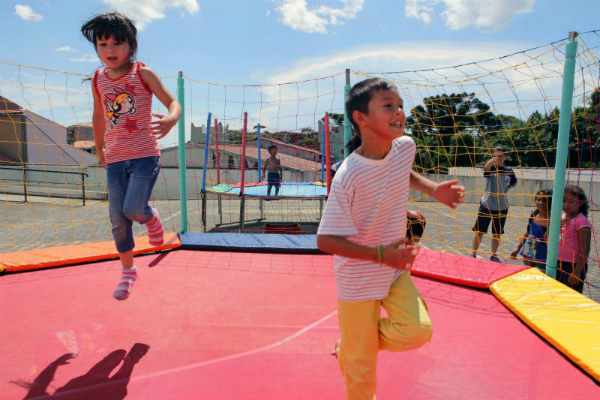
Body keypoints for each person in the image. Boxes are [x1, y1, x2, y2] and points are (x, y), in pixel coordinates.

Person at [316, 78, 465, 400]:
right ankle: (356, 348)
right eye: (388, 105)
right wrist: (380, 254)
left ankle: (354, 343)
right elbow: (326, 240)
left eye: (399, 105)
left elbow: (402, 171)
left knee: (417, 331)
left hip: (394, 268)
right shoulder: (349, 175)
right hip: (358, 277)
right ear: (361, 118)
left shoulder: (404, 146)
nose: (399, 111)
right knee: (361, 371)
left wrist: (433, 189)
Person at [82, 12, 181, 300]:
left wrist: (171, 119)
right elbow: (99, 115)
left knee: (134, 210)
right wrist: (99, 149)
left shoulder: (143, 74)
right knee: (117, 218)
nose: (110, 50)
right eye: (103, 44)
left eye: (117, 43)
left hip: (143, 155)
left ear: (131, 46)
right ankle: (128, 271)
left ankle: (151, 218)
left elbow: (172, 102)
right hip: (114, 157)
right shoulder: (98, 79)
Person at [470, 147, 517, 262]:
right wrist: (492, 161)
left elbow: (514, 182)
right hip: (486, 205)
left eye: (501, 156)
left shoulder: (509, 171)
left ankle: (493, 255)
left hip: (502, 207)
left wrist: (507, 187)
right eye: (496, 155)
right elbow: (485, 169)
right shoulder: (491, 168)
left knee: (497, 233)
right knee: (479, 231)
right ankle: (473, 253)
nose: (499, 158)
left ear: (505, 157)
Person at [557, 185, 592, 293]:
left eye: (571, 202)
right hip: (558, 263)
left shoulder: (582, 222)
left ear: (580, 204)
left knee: (570, 296)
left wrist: (577, 272)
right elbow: (549, 238)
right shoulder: (562, 218)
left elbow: (585, 249)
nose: (566, 204)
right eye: (564, 200)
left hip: (573, 266)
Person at [510, 189, 552, 272]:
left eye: (544, 201)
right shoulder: (534, 215)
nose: (540, 203)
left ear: (550, 202)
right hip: (529, 253)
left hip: (543, 257)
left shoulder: (552, 220)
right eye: (538, 200)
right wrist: (518, 248)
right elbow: (528, 233)